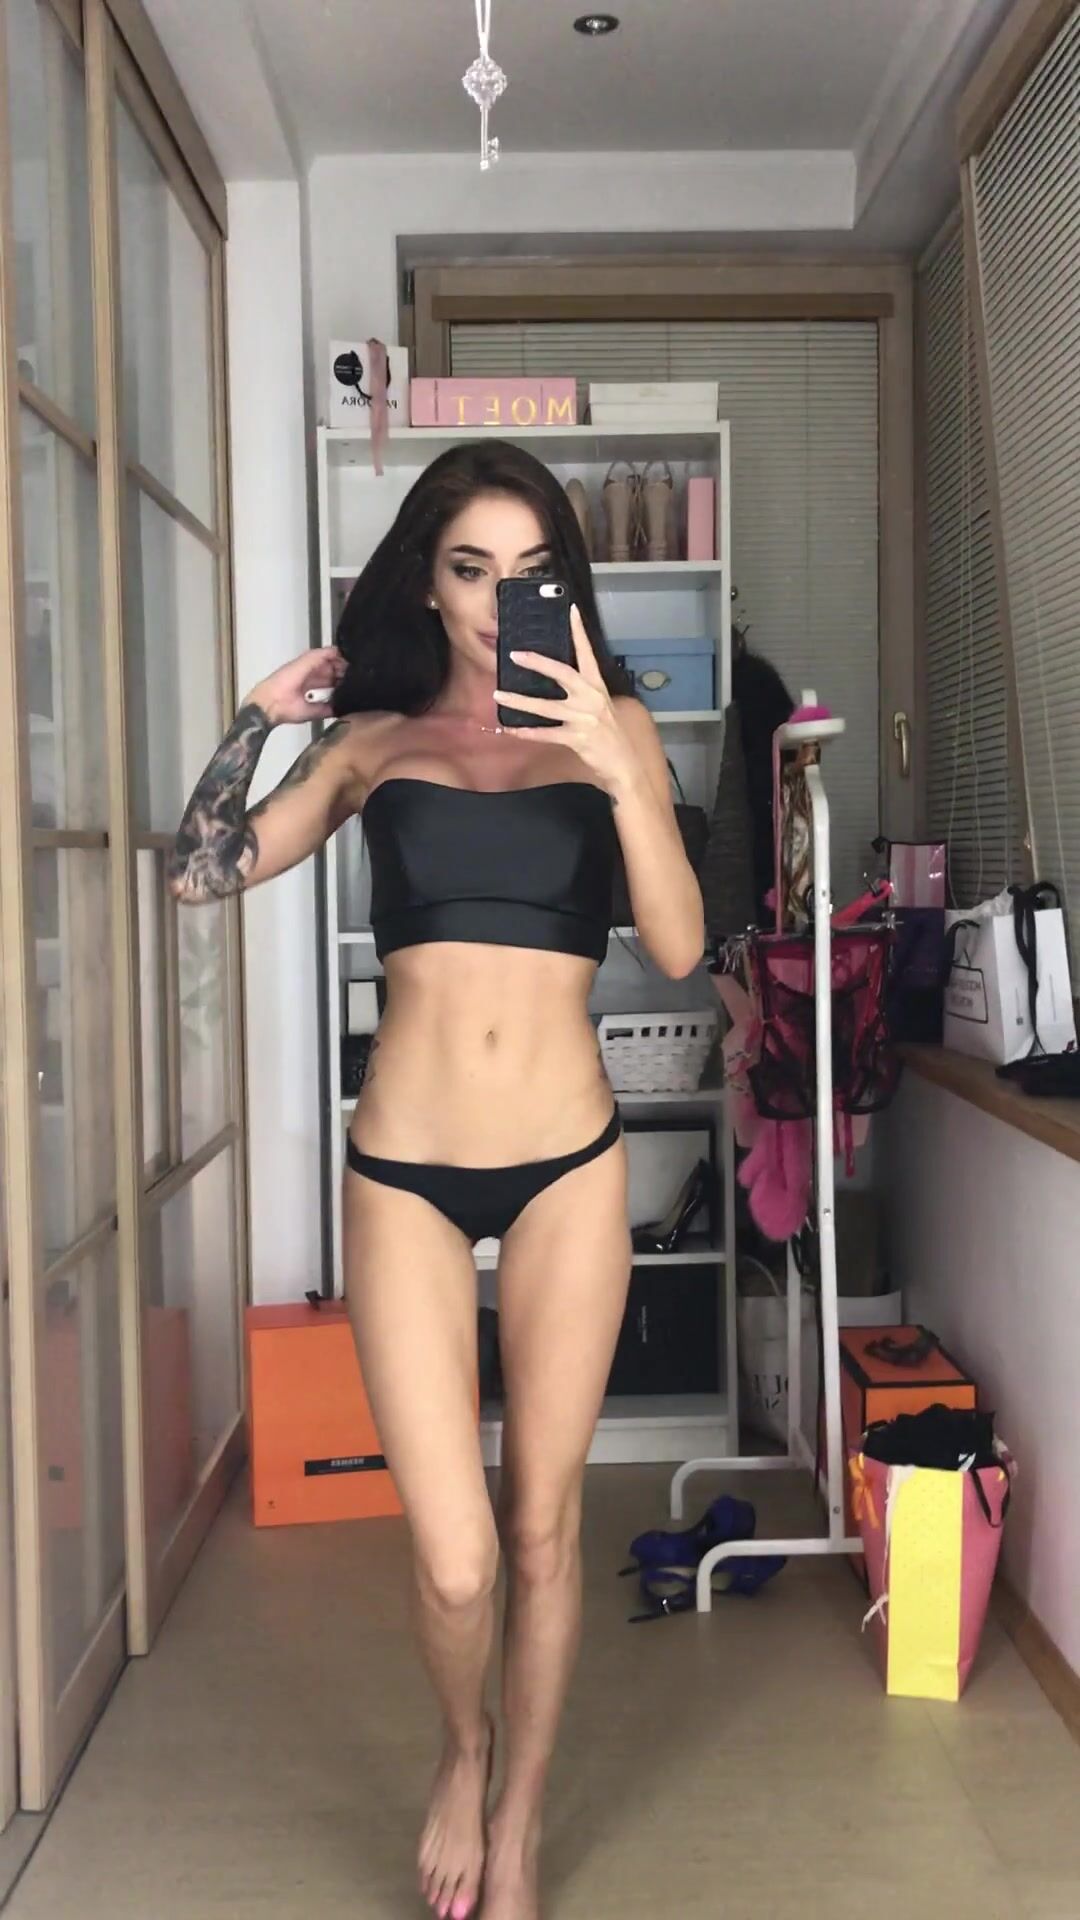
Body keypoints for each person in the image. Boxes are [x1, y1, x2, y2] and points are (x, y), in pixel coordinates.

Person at [167, 440, 704, 1920]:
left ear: (562, 586)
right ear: (426, 577)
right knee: (457, 1563)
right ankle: (460, 1752)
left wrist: (615, 759)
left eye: (529, 572)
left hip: (566, 1170)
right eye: (471, 569)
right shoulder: (378, 739)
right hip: (404, 1173)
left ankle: (517, 1819)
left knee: (541, 1530)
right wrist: (257, 718)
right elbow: (202, 871)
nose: (495, 599)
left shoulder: (615, 730)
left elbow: (674, 946)